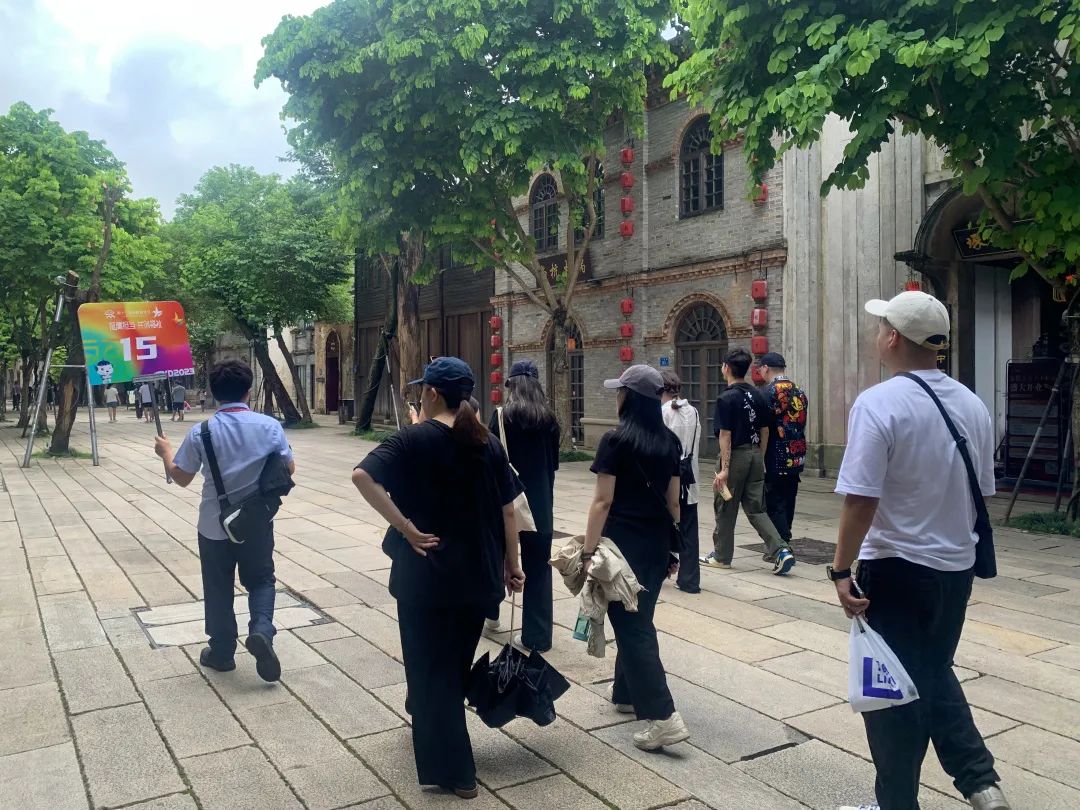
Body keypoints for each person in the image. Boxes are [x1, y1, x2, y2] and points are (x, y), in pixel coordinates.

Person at [832, 291, 1008, 810]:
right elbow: (983, 493)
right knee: (930, 673)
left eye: (880, 327)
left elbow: (860, 500)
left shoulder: (879, 402)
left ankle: (953, 788)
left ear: (892, 337)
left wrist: (840, 569)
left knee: (892, 696)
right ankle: (981, 786)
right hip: (955, 570)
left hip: (897, 568)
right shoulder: (972, 404)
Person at [351, 357, 525, 799]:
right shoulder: (487, 442)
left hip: (425, 577)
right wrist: (513, 563)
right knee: (451, 665)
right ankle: (432, 724)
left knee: (433, 673)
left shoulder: (412, 439)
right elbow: (508, 510)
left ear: (431, 393)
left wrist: (405, 527)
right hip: (478, 576)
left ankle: (457, 773)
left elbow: (362, 476)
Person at [153, 360, 295, 683]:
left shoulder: (201, 431)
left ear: (214, 393)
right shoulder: (270, 427)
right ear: (248, 391)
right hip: (256, 522)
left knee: (217, 588)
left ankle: (221, 653)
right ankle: (261, 630)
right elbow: (289, 468)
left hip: (214, 525)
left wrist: (165, 453)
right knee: (261, 580)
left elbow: (182, 477)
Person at [585, 364, 689, 751]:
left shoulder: (614, 441)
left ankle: (663, 717)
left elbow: (602, 501)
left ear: (629, 399)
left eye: (619, 392)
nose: (616, 397)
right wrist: (673, 549)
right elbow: (674, 503)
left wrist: (587, 551)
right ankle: (626, 692)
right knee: (638, 617)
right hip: (655, 545)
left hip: (621, 548)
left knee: (633, 628)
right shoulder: (669, 442)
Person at [485, 360, 559, 652]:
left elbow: (490, 462)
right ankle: (537, 637)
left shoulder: (501, 417)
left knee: (497, 558)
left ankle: (491, 615)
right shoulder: (550, 420)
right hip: (540, 505)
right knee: (539, 569)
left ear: (512, 385)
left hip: (506, 504)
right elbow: (553, 465)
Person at [702, 348, 794, 575]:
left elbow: (725, 435)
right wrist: (759, 457)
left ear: (726, 368)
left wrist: (724, 469)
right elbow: (765, 430)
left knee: (726, 505)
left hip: (735, 456)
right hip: (755, 455)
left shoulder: (726, 398)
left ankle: (722, 556)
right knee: (757, 509)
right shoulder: (758, 394)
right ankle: (781, 550)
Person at [757, 353, 808, 547]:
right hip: (797, 453)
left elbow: (763, 428)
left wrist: (760, 456)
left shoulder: (767, 392)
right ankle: (785, 536)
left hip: (775, 454)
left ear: (766, 368)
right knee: (789, 497)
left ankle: (781, 543)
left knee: (774, 500)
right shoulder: (799, 391)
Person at [660, 371, 701, 594]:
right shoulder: (693, 411)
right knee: (689, 529)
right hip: (690, 478)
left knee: (663, 524)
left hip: (669, 477)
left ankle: (662, 568)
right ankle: (690, 580)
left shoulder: (663, 412)